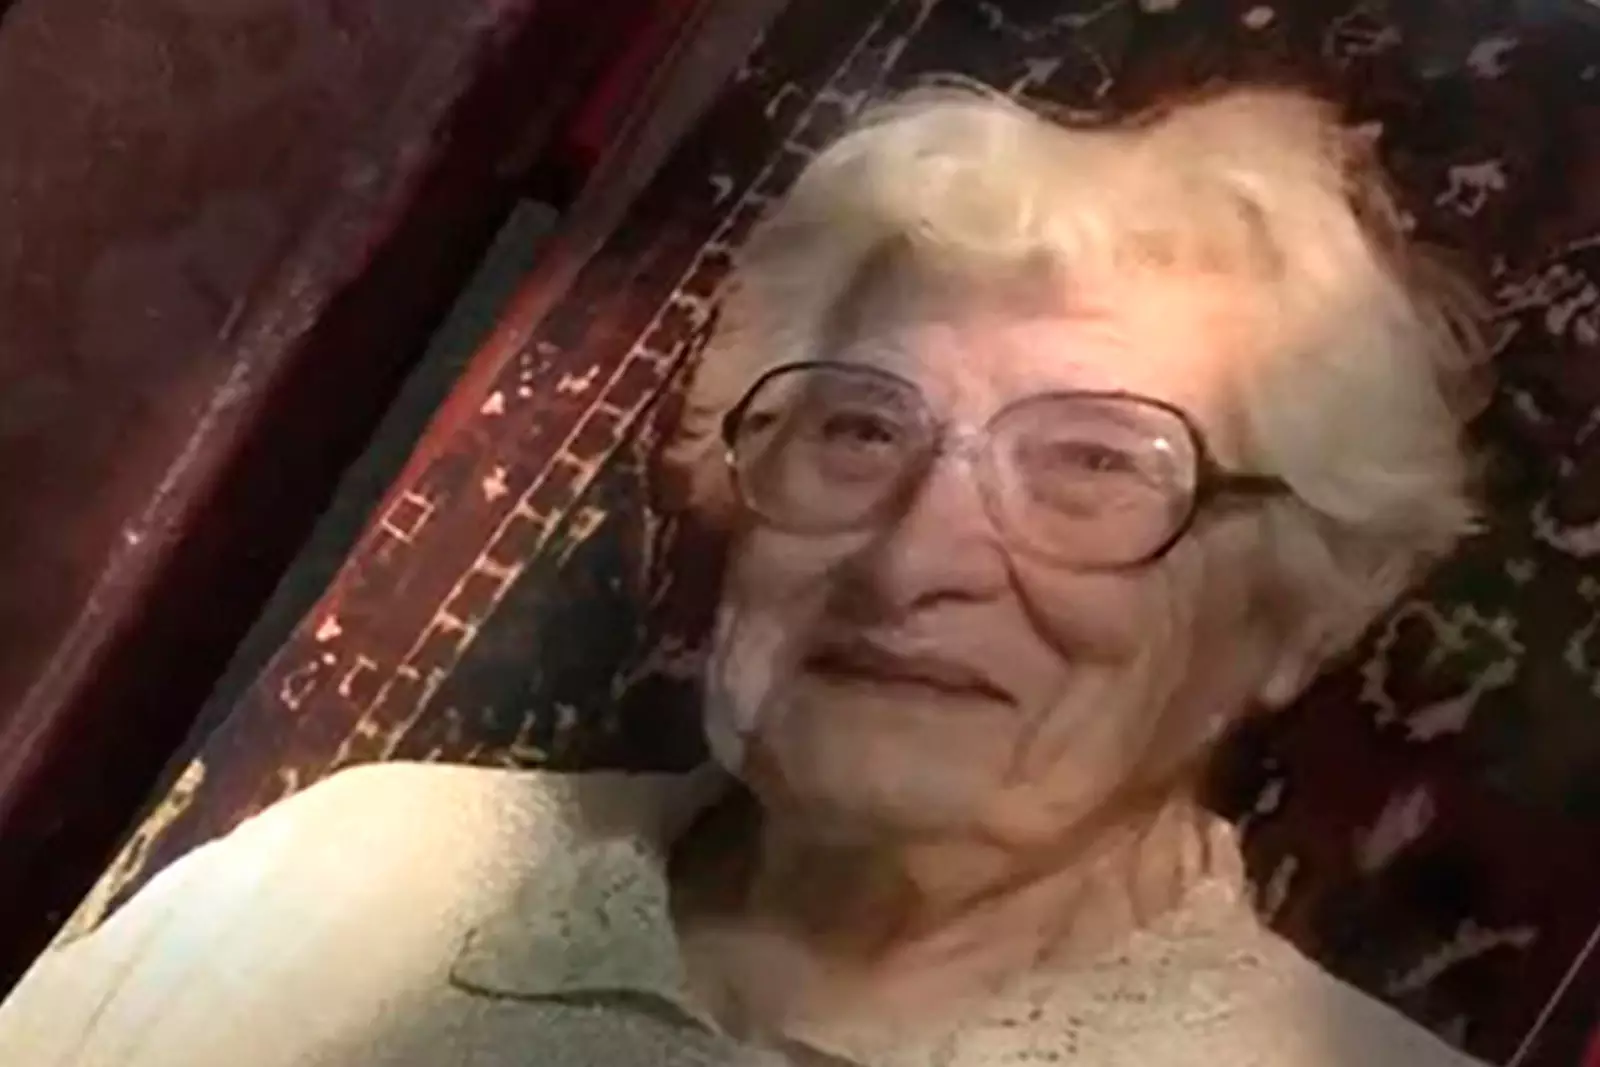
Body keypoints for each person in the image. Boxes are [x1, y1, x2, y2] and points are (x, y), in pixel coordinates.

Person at [0, 82, 1494, 1066]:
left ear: (1298, 607)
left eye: (1093, 465)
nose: (911, 557)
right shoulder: (362, 869)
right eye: (859, 429)